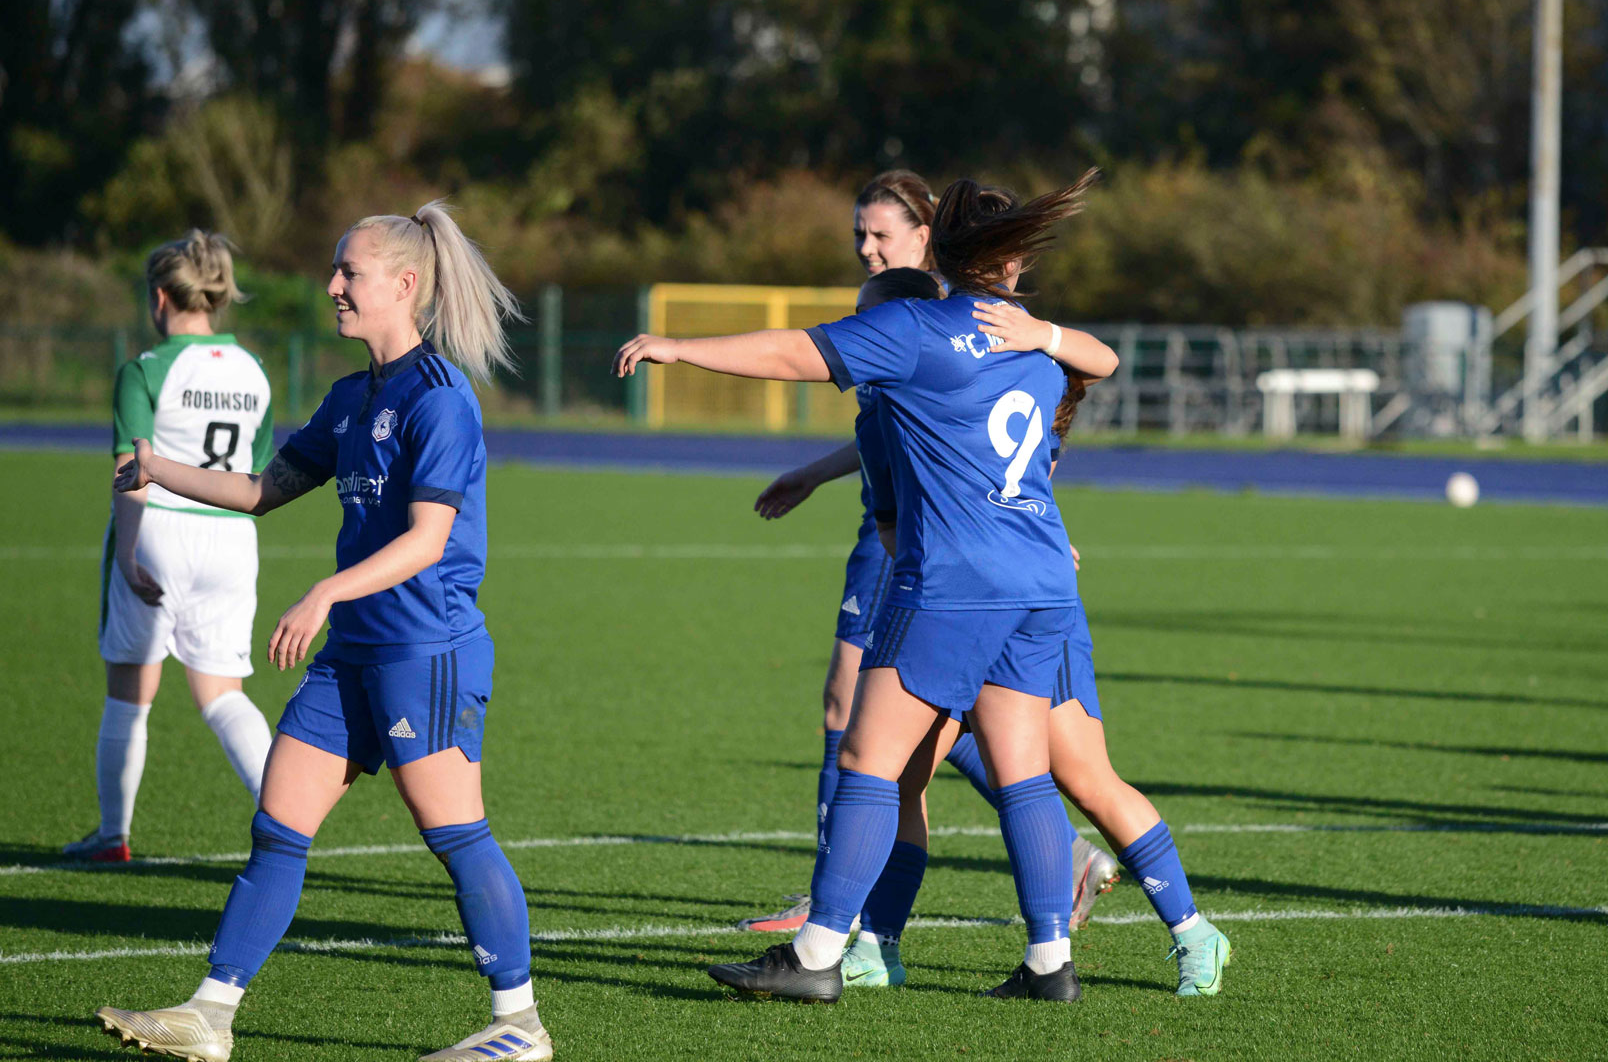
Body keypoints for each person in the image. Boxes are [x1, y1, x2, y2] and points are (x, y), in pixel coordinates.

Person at [616, 169, 1110, 1003]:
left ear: (940, 252)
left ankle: (813, 958)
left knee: (867, 759)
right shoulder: (1034, 339)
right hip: (1042, 580)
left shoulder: (916, 326)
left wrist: (679, 347)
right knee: (1021, 772)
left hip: (956, 577)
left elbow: (792, 352)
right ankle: (1047, 962)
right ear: (1014, 261)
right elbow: (1095, 362)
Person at [95, 201, 553, 1062]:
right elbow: (264, 489)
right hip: (356, 654)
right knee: (279, 822)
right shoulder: (352, 398)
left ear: (404, 286)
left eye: (350, 272)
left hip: (428, 648)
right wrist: (158, 469)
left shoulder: (441, 399)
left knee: (454, 831)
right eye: (336, 270)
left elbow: (428, 539)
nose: (332, 285)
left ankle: (520, 1024)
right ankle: (212, 1013)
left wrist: (322, 595)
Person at [739, 172, 1119, 934]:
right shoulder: (903, 318)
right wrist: (816, 473)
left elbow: (987, 439)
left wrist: (676, 349)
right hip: (902, 531)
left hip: (925, 544)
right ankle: (1041, 902)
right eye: (859, 235)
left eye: (881, 235)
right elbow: (893, 428)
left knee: (865, 721)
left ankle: (833, 910)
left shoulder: (930, 320)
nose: (866, 248)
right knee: (933, 726)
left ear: (927, 243)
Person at [842, 371, 1233, 997]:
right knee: (903, 776)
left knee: (1085, 777)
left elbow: (1021, 492)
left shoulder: (977, 383)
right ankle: (877, 946)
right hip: (948, 605)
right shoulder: (907, 404)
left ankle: (1193, 933)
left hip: (1020, 605)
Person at [67, 231, 277, 864]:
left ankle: (112, 838)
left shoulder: (146, 369)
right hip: (232, 539)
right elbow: (256, 473)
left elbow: (131, 472)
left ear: (160, 297)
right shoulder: (254, 371)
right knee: (224, 696)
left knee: (130, 693)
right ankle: (287, 824)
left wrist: (128, 557)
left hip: (159, 528)